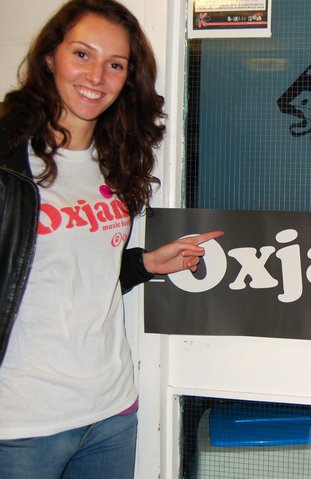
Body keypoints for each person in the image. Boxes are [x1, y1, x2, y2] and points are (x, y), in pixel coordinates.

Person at [0, 1, 222, 477]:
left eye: (115, 64)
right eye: (82, 54)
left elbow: (74, 274)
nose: (96, 76)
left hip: (110, 413)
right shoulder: (7, 161)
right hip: (19, 424)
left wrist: (145, 264)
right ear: (49, 58)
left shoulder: (114, 158)